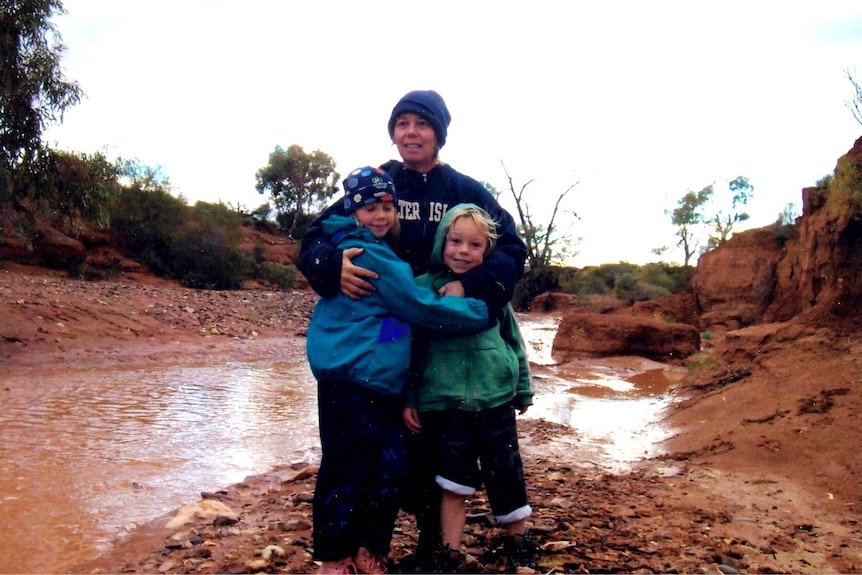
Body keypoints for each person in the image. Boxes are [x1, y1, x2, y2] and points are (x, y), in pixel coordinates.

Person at [299, 89, 528, 569]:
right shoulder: (378, 184)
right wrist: (328, 267)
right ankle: (353, 549)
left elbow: (512, 248)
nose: (410, 133)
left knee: (427, 445)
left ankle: (430, 546)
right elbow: (320, 234)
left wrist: (472, 286)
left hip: (439, 331)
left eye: (421, 124)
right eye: (401, 124)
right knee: (378, 435)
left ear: (439, 133)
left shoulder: (465, 190)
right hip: (388, 332)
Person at [306, 167, 491, 574]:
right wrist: (475, 310)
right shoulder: (366, 252)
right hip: (351, 380)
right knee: (347, 468)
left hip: (376, 381)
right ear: (353, 212)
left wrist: (406, 344)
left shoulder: (378, 251)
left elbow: (391, 322)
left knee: (388, 465)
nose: (381, 215)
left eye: (388, 206)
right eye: (370, 207)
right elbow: (415, 307)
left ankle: (369, 549)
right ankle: (334, 558)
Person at [402, 204, 536, 573]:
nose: (463, 251)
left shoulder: (492, 292)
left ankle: (519, 541)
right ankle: (449, 552)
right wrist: (409, 398)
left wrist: (522, 386)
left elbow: (513, 341)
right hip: (443, 403)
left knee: (506, 469)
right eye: (456, 241)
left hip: (496, 398)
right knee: (452, 478)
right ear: (442, 242)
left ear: (486, 251)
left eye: (475, 245)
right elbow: (406, 347)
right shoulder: (421, 289)